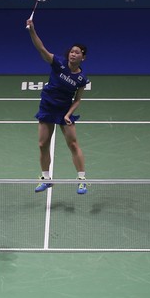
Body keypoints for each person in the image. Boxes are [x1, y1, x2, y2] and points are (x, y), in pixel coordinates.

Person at [25, 19, 90, 195]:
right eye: (72, 52)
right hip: (47, 106)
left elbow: (77, 100)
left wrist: (69, 114)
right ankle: (46, 179)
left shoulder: (81, 79)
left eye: (77, 53)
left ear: (83, 57)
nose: (73, 54)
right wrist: (32, 30)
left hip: (63, 110)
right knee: (42, 144)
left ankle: (82, 180)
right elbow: (41, 48)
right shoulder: (58, 63)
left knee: (73, 144)